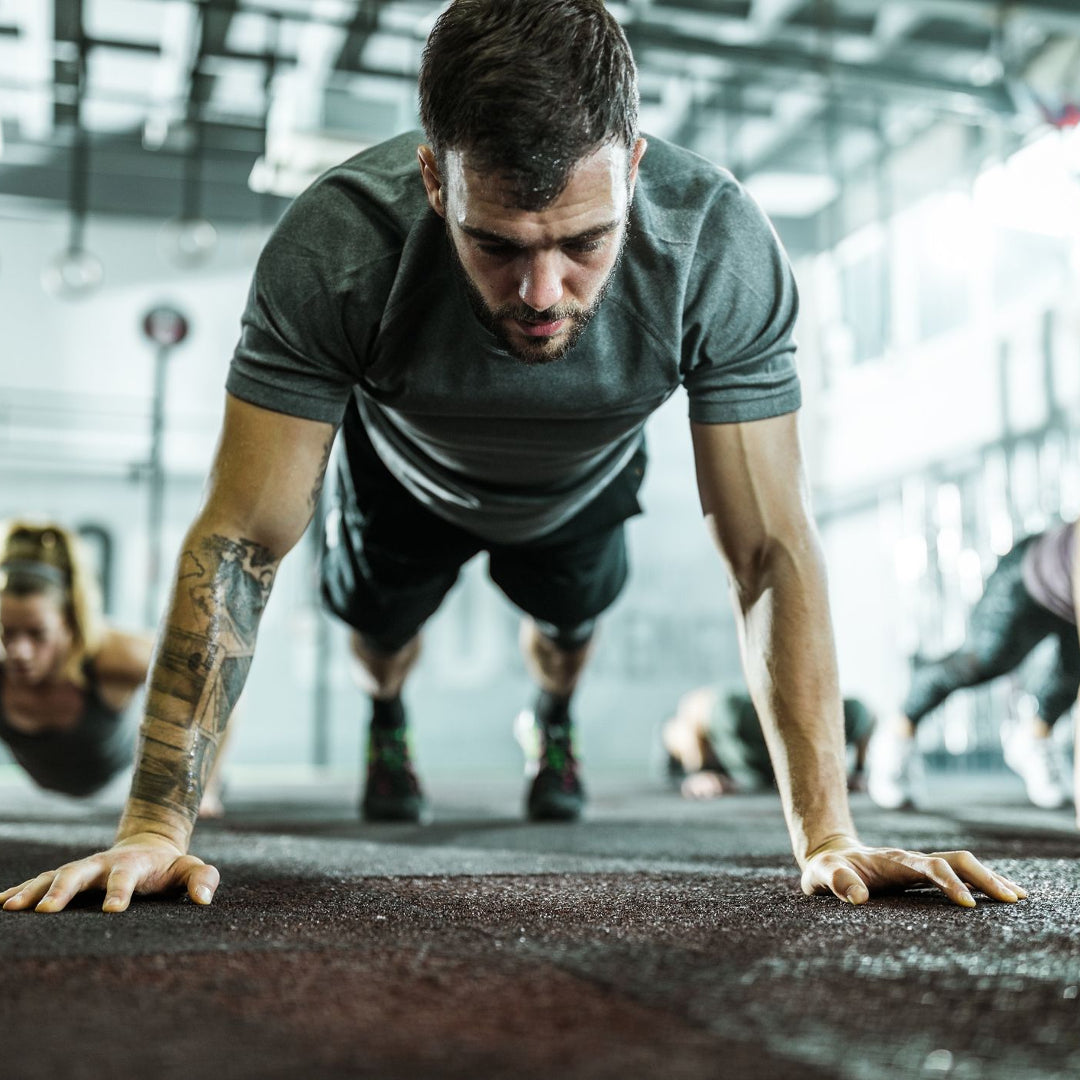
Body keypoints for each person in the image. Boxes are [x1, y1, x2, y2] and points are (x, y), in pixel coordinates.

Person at [1, 0, 1025, 914]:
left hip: (583, 482)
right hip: (402, 479)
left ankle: (555, 717)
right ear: (433, 179)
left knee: (567, 625)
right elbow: (240, 540)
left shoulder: (716, 245)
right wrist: (152, 829)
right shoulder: (339, 246)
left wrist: (829, 836)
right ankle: (387, 715)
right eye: (498, 243)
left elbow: (769, 549)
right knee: (377, 633)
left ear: (632, 168)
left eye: (583, 241)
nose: (543, 293)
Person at [0, 520, 224, 816]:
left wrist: (206, 785)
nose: (19, 651)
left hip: (118, 786)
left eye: (37, 633)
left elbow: (218, 682)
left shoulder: (117, 656)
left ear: (69, 624)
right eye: (7, 631)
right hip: (41, 799)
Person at [869, 520, 1079, 812]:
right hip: (1027, 576)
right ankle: (897, 732)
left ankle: (1032, 739)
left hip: (1064, 596)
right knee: (980, 661)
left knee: (1072, 671)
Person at [662, 686, 875, 799]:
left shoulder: (844, 716)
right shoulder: (735, 713)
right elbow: (689, 712)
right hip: (731, 757)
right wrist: (698, 772)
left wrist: (859, 771)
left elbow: (869, 716)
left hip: (773, 770)